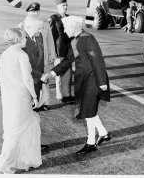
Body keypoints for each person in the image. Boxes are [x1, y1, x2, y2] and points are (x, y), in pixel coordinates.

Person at [42, 16, 111, 155]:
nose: (65, 31)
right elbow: (68, 60)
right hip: (83, 79)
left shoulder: (88, 39)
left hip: (93, 79)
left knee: (88, 111)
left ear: (74, 26)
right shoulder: (74, 40)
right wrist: (52, 73)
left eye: (66, 28)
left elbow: (97, 61)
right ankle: (103, 133)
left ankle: (91, 142)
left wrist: (102, 83)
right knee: (88, 108)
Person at [0, 28, 42, 174]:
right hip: (20, 97)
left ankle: (24, 160)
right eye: (25, 37)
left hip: (9, 97)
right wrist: (34, 96)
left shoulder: (5, 54)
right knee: (19, 130)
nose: (27, 39)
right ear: (19, 38)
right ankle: (4, 164)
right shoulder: (21, 55)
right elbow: (27, 79)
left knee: (23, 127)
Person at [20, 2, 56, 111]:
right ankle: (32, 102)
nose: (36, 12)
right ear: (28, 12)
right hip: (30, 57)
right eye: (33, 11)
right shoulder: (22, 25)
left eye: (37, 10)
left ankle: (45, 102)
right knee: (32, 79)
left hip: (43, 56)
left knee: (45, 78)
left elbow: (50, 40)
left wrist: (52, 54)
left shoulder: (44, 24)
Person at [48, 0, 75, 104]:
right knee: (59, 73)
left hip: (69, 49)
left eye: (66, 5)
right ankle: (60, 96)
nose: (65, 7)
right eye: (63, 5)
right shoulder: (53, 19)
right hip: (59, 50)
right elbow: (51, 37)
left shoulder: (69, 17)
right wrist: (52, 52)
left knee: (68, 73)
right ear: (58, 7)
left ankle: (67, 95)